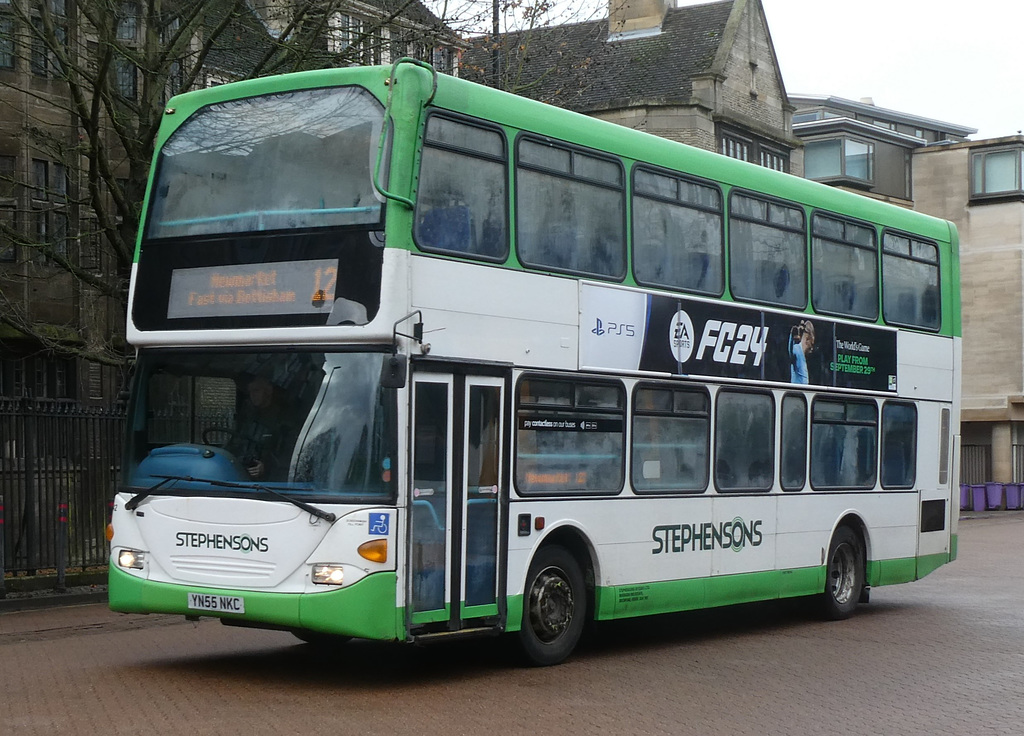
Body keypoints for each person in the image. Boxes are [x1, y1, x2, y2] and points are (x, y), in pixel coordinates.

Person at [230, 375, 293, 480]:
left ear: (269, 391)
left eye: (256, 390)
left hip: (272, 483)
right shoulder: (247, 418)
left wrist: (266, 466)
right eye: (250, 392)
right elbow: (236, 444)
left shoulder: (283, 419)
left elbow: (290, 451)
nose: (252, 395)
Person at [790, 319, 815, 385]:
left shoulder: (802, 355)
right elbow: (790, 353)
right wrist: (791, 337)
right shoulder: (796, 350)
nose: (812, 348)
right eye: (811, 344)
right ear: (807, 339)